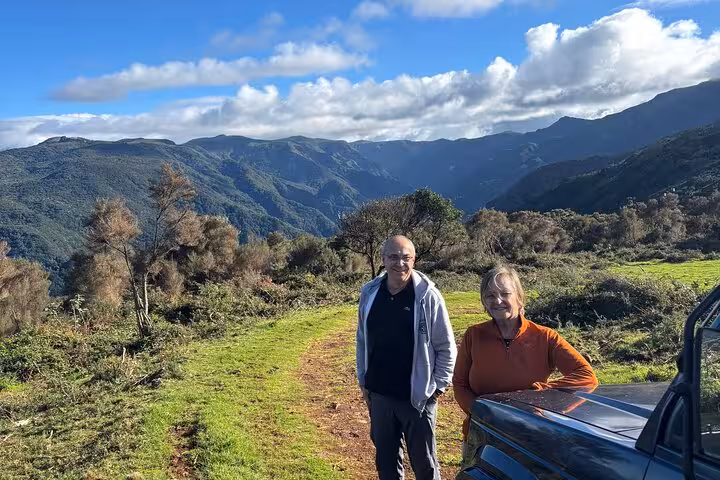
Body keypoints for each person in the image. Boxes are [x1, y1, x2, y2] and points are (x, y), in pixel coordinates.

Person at [452, 265, 598, 442]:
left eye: (505, 294)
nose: (497, 301)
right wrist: (480, 411)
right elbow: (460, 383)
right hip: (483, 432)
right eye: (490, 295)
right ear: (484, 302)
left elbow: (586, 376)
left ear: (519, 298)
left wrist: (538, 395)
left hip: (530, 435)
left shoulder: (545, 337)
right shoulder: (473, 335)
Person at [356, 235, 457, 480]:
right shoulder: (369, 293)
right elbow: (362, 340)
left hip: (417, 399)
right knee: (386, 464)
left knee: (425, 465)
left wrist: (437, 388)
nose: (399, 263)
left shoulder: (427, 296)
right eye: (393, 257)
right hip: (379, 396)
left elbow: (446, 347)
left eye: (406, 257)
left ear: (414, 260)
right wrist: (363, 381)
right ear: (383, 259)